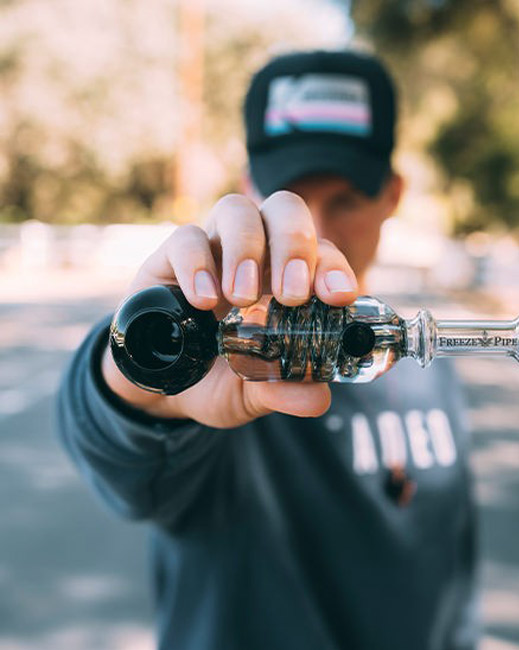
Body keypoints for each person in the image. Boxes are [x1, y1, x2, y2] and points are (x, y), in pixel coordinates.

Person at [56, 50, 479, 650]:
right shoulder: (222, 371)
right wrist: (144, 382)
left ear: (392, 196)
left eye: (347, 200)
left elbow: (453, 582)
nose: (319, 233)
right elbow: (118, 449)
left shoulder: (425, 368)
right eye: (292, 196)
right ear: (249, 189)